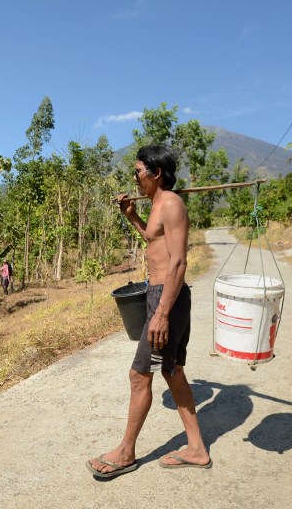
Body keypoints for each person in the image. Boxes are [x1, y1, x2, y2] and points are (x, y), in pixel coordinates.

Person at [86, 144, 211, 478]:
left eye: (139, 172)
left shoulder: (170, 203)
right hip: (161, 294)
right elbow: (153, 242)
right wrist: (132, 217)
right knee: (172, 371)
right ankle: (197, 448)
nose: (135, 178)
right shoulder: (156, 204)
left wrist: (161, 313)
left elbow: (178, 260)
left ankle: (126, 452)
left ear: (156, 173)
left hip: (167, 298)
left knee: (139, 375)